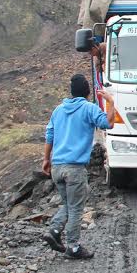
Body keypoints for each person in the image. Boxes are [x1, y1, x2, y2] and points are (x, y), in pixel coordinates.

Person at [41, 74, 115, 259]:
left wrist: (46, 159)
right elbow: (108, 123)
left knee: (68, 203)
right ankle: (73, 247)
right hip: (74, 168)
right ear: (88, 91)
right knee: (75, 208)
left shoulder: (58, 110)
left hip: (57, 167)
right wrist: (111, 102)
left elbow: (49, 135)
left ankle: (55, 231)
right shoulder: (89, 108)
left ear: (71, 91)